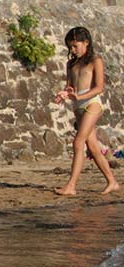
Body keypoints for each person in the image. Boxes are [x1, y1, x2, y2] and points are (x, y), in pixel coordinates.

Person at [54, 26, 119, 195]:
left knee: (78, 142)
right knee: (93, 148)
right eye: (70, 47)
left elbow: (99, 88)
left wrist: (81, 98)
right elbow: (70, 87)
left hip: (92, 104)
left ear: (86, 43)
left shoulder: (95, 61)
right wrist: (64, 93)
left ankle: (71, 186)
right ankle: (112, 182)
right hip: (78, 107)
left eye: (76, 46)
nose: (73, 50)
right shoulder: (71, 64)